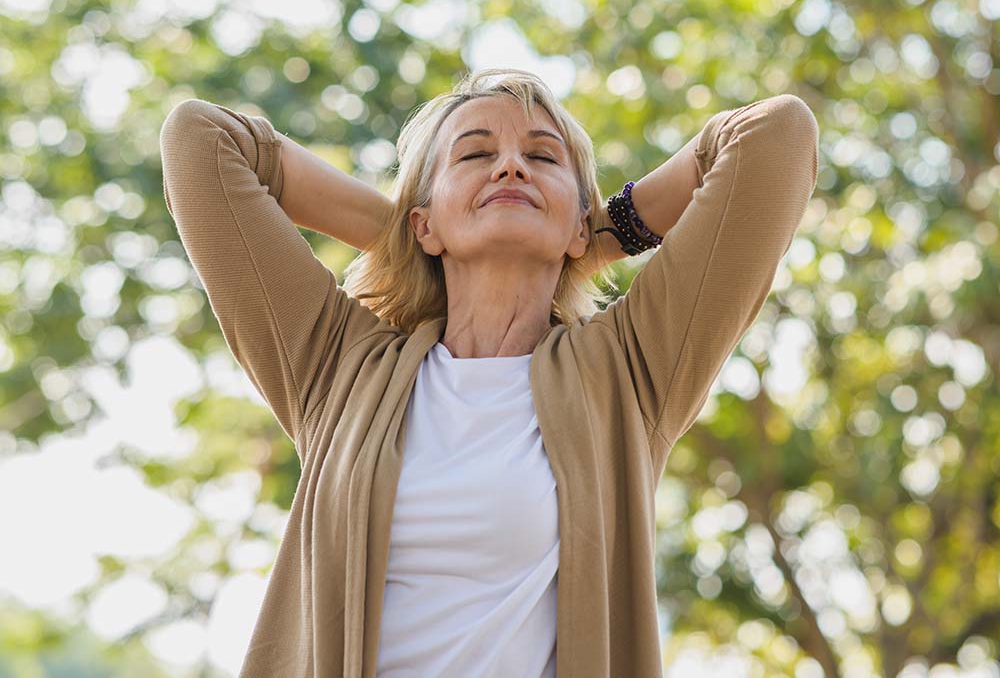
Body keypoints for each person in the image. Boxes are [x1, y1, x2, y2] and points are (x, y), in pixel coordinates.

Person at [159, 67, 819, 677]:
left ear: (578, 226)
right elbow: (202, 141)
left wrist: (598, 235)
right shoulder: (339, 365)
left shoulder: (628, 370)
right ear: (424, 222)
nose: (510, 165)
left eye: (541, 157)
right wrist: (408, 238)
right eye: (475, 155)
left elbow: (775, 136)